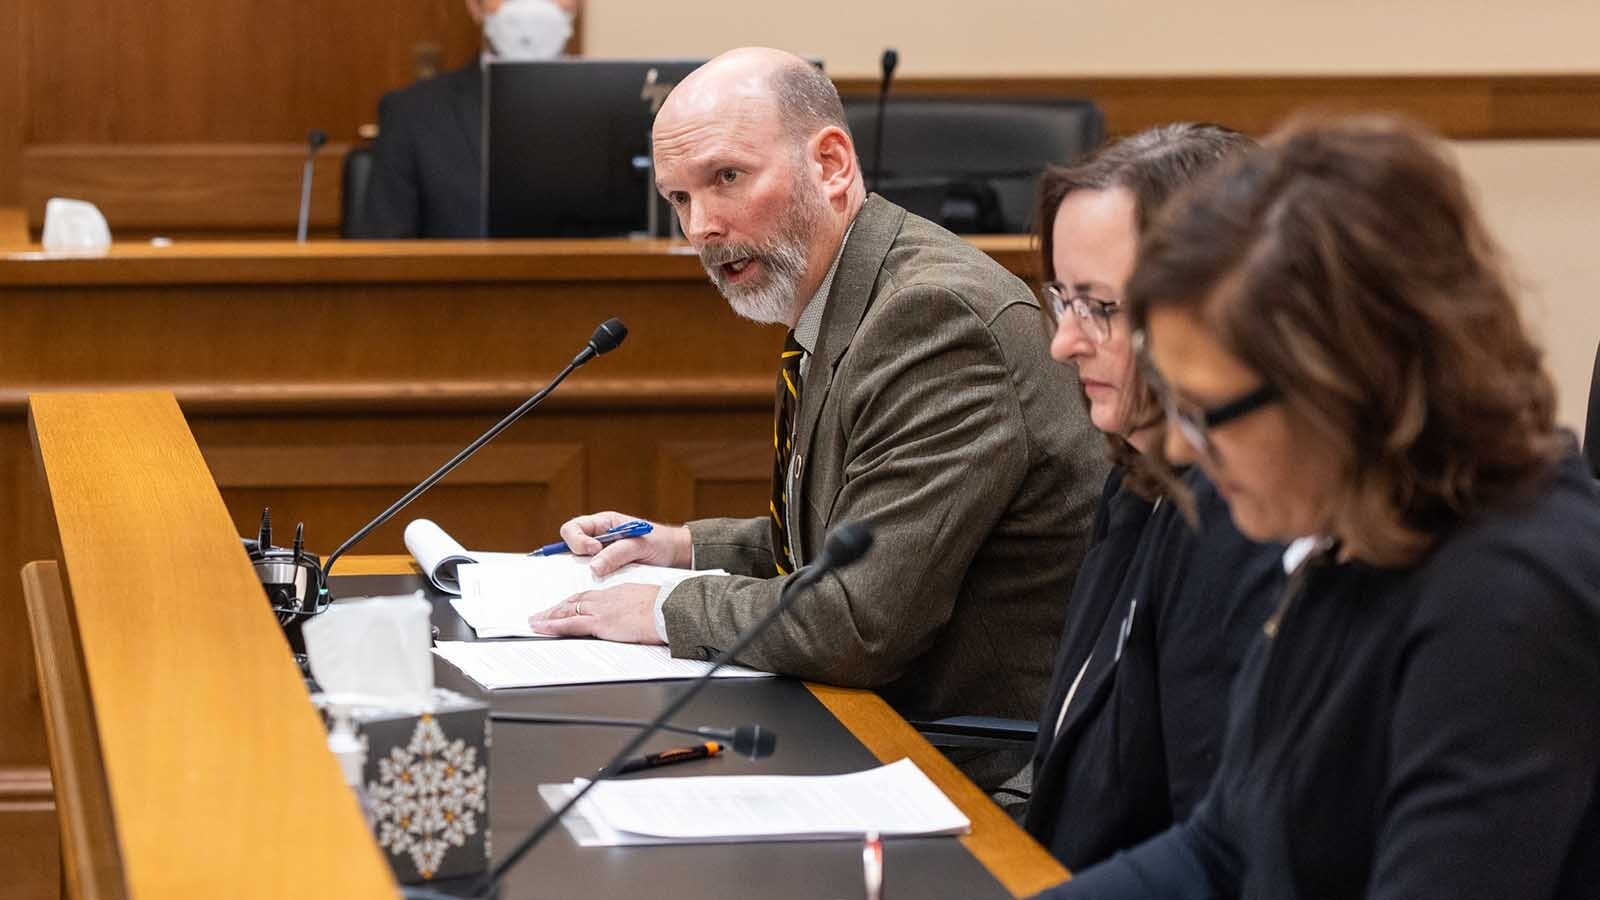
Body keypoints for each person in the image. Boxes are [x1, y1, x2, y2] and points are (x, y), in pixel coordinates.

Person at [1038, 115, 1600, 899]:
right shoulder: (1346, 543)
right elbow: (1220, 847)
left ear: (1340, 388)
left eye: (1207, 413)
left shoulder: (1510, 598)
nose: (1189, 451)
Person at [528, 48, 1107, 764]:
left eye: (727, 178)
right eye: (680, 199)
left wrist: (656, 608)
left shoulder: (933, 318)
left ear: (830, 164)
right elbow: (855, 533)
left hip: (979, 763)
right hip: (880, 724)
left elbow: (856, 619)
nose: (701, 227)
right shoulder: (846, 297)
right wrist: (678, 547)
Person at [1021, 124, 1283, 871]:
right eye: (1061, 301)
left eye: (1098, 308)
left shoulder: (1238, 518)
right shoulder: (1139, 475)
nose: (1063, 343)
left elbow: (1211, 845)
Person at [355, 0, 578, 238]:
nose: (530, 5)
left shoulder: (620, 104)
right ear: (474, 6)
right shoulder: (412, 114)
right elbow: (385, 256)